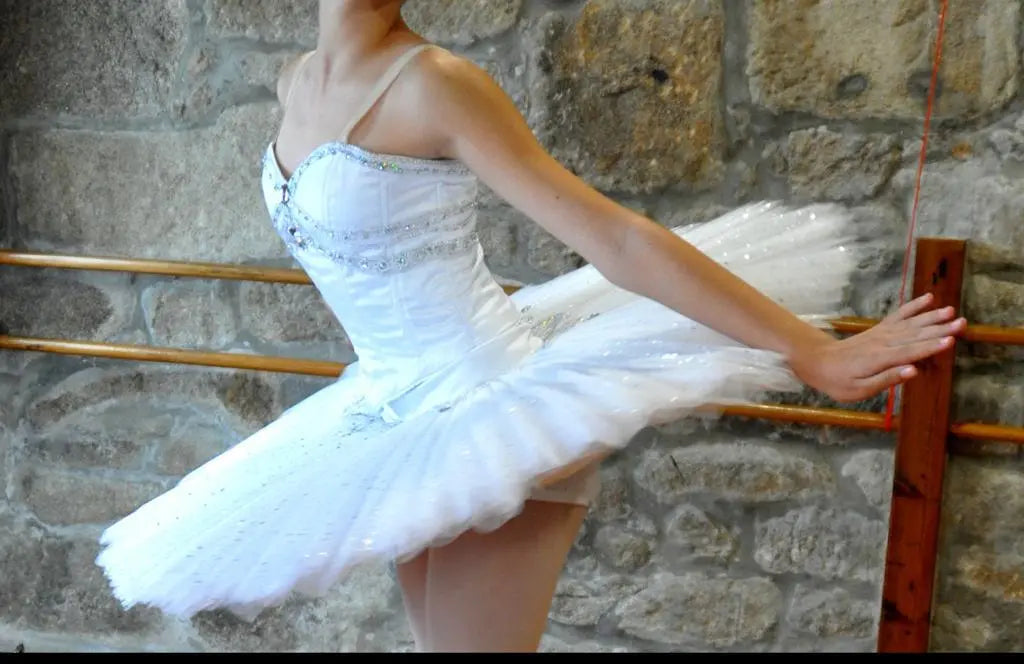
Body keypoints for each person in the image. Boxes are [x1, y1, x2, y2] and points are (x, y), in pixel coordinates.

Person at [95, 0, 965, 652]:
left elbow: (616, 237)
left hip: (492, 409)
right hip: (390, 417)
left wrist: (810, 350)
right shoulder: (296, 80)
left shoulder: (436, 84)